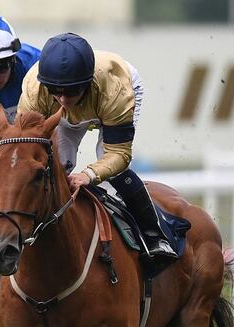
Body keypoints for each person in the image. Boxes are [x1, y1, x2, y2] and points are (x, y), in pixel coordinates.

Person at [18, 32, 177, 264]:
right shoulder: (35, 89)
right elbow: (27, 150)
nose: (62, 99)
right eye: (56, 91)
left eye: (71, 91)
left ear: (86, 83)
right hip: (71, 111)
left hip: (111, 99)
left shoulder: (115, 90)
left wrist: (88, 175)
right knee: (58, 165)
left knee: (107, 162)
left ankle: (154, 235)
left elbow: (119, 154)